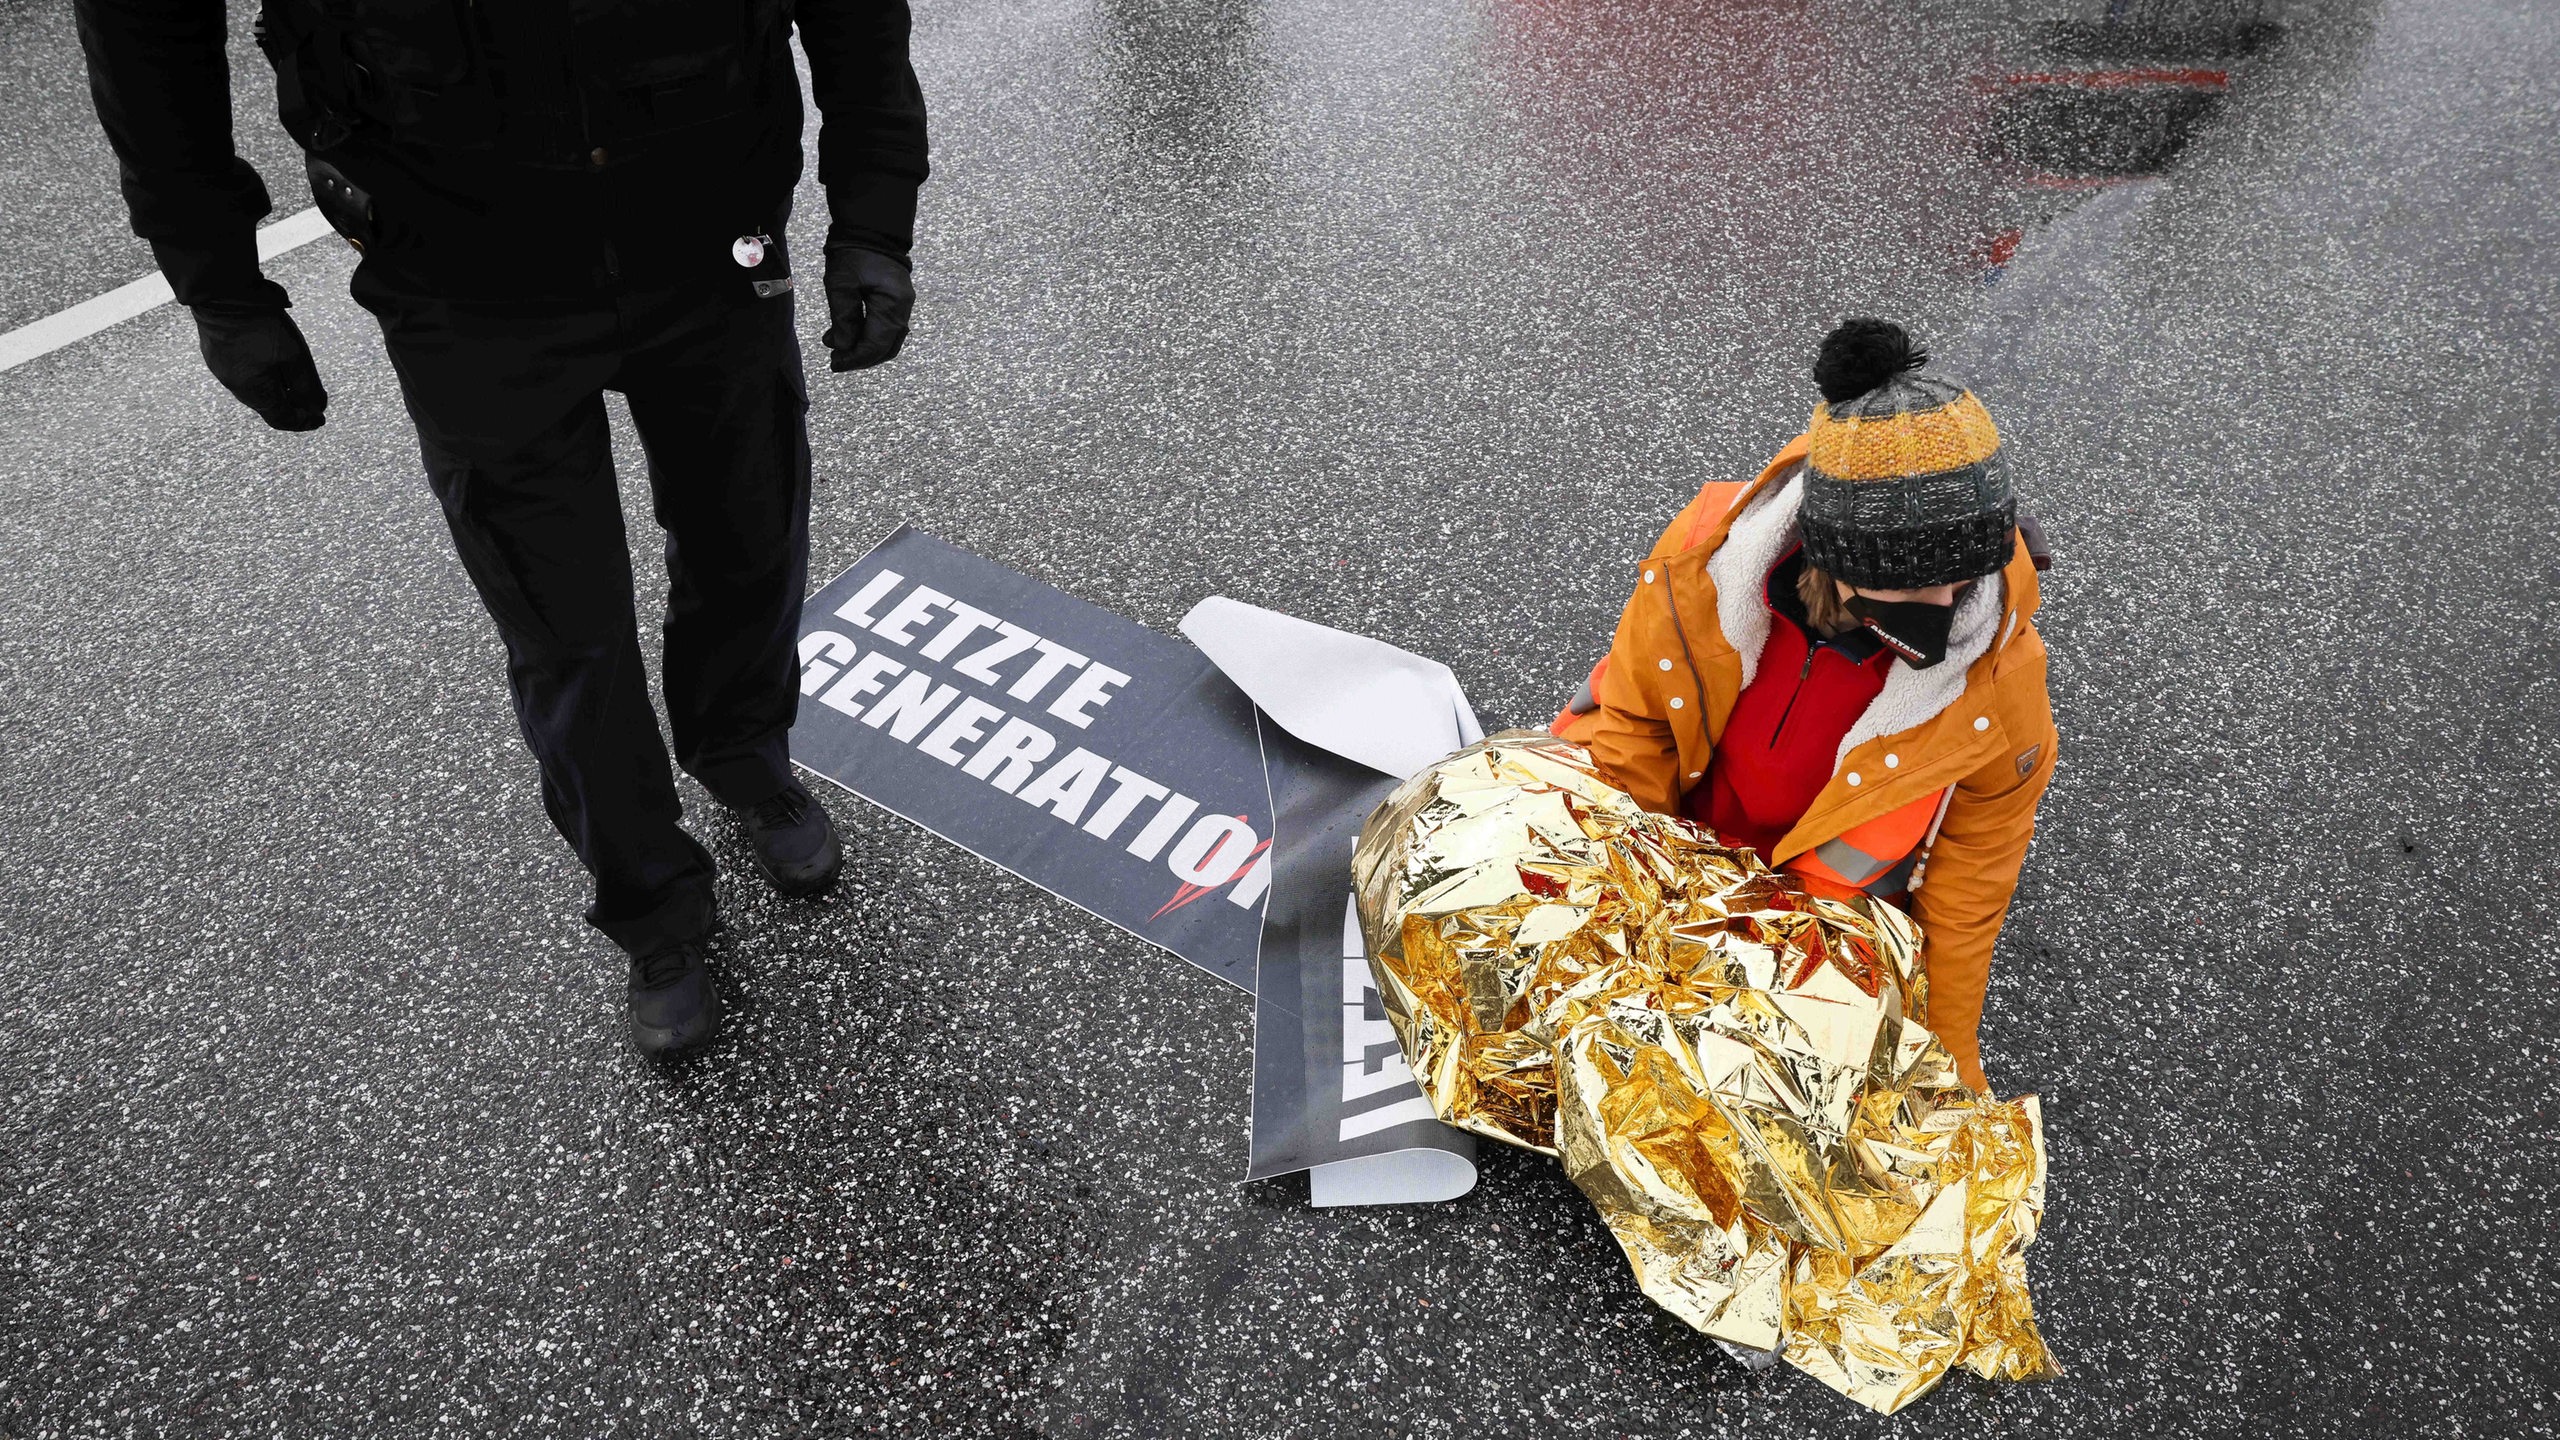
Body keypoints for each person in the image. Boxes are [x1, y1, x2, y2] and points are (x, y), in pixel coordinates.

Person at [73, 0, 930, 1055]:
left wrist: (872, 217)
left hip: (712, 218)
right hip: (459, 262)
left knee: (747, 530)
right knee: (561, 624)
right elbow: (144, 35)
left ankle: (741, 748)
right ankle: (653, 909)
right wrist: (218, 287)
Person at [1552, 319, 2059, 1093]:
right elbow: (1635, 730)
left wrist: (1950, 1061)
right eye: (1918, 583)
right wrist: (1608, 913)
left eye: (1965, 578)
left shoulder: (2001, 696)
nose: (1948, 606)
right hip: (1671, 841)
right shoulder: (1706, 564)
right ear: (1838, 559)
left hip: (1811, 913)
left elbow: (1969, 892)